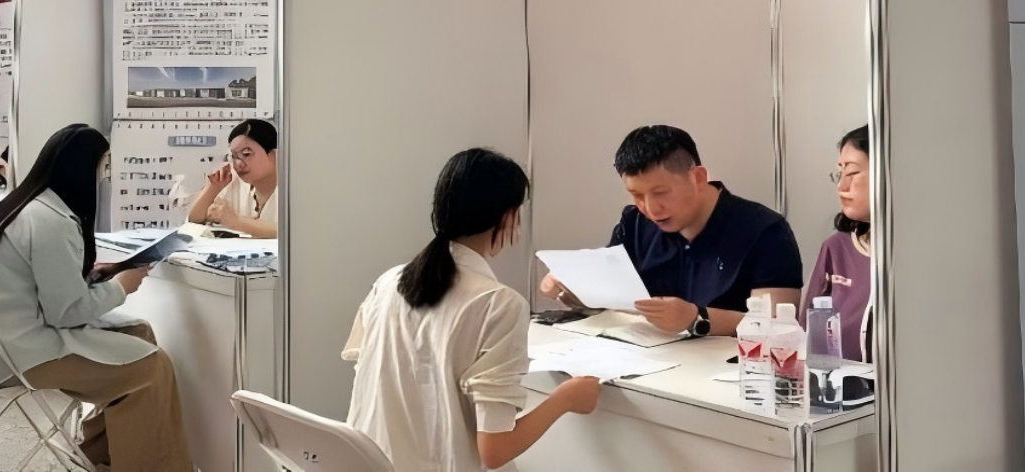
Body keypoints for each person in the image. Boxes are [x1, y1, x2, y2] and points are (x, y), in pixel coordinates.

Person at [343, 148, 601, 472]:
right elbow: (495, 451)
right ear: (509, 217)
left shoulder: (389, 282)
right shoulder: (499, 304)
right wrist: (566, 398)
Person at [0, 124, 192, 471]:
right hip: (25, 354)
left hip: (0, 342)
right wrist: (121, 286)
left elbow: (39, 284)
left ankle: (99, 458)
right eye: (104, 168)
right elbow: (67, 313)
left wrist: (87, 277)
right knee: (151, 368)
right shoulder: (50, 221)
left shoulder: (24, 207)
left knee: (139, 332)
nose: (106, 178)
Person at [540, 125, 803, 337]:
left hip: (727, 373)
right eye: (636, 195)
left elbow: (777, 326)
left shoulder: (765, 231)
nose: (650, 208)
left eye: (660, 193)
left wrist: (697, 318)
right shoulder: (634, 223)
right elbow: (611, 296)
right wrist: (573, 289)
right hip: (643, 363)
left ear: (698, 178)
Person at [803, 125, 873, 363]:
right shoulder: (837, 249)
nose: (842, 186)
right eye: (839, 174)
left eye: (852, 173)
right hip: (839, 383)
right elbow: (805, 338)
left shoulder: (922, 255)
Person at [187, 118, 278, 237]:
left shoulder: (294, 186)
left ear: (274, 155)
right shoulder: (234, 181)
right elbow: (194, 219)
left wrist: (237, 222)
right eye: (234, 156)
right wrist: (213, 188)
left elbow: (291, 233)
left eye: (246, 154)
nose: (238, 163)